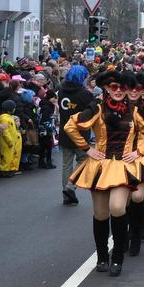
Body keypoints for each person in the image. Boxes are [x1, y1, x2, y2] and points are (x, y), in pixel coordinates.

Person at [62, 71, 143, 277]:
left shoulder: (135, 110)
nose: (118, 91)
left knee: (117, 207)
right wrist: (87, 149)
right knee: (100, 214)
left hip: (123, 165)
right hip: (100, 165)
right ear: (106, 88)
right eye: (114, 87)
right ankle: (102, 257)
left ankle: (117, 257)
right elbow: (70, 125)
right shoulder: (97, 108)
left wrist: (139, 151)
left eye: (122, 87)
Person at [57, 65, 95, 206]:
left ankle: (66, 193)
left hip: (64, 131)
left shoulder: (61, 91)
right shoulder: (85, 94)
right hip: (79, 132)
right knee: (85, 159)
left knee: (66, 164)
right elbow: (91, 111)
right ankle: (71, 187)